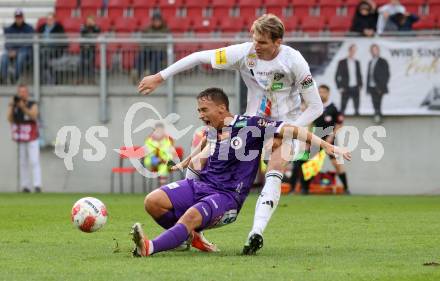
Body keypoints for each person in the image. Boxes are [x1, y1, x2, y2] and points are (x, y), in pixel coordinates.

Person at [137, 14, 324, 255]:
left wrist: (290, 130)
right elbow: (198, 57)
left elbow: (316, 107)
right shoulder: (245, 53)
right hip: (250, 125)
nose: (256, 45)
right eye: (254, 39)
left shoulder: (294, 61)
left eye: (263, 42)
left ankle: (255, 232)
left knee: (275, 166)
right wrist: (160, 77)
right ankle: (194, 226)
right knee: (199, 149)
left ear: (278, 42)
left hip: (288, 124)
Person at [130, 88, 351, 257]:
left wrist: (327, 146)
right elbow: (204, 145)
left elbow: (292, 129)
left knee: (189, 217)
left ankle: (149, 247)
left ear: (221, 109)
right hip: (201, 185)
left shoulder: (250, 125)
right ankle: (186, 236)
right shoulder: (212, 130)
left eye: (204, 110)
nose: (200, 115)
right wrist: (186, 161)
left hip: (227, 197)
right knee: (152, 201)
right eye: (199, 110)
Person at [313, 84, 349, 193]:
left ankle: (346, 189)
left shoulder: (333, 107)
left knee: (336, 164)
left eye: (323, 92)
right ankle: (304, 189)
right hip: (316, 138)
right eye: (319, 92)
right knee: (309, 163)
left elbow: (339, 124)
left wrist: (331, 136)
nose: (321, 94)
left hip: (329, 139)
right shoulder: (315, 106)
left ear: (328, 93)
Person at [6, 84, 42, 193]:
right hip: (21, 137)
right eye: (20, 92)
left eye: (24, 91)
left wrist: (23, 107)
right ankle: (25, 186)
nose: (22, 94)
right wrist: (12, 105)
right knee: (22, 162)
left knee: (34, 161)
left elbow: (34, 115)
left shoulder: (32, 104)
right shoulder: (14, 106)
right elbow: (9, 118)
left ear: (27, 93)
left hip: (32, 137)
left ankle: (37, 185)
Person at [0, 9, 34, 84]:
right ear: (15, 18)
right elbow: (7, 42)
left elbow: (29, 43)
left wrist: (17, 51)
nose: (18, 19)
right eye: (17, 17)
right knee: (4, 57)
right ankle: (3, 79)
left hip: (25, 51)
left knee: (21, 56)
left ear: (23, 17)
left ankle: (14, 78)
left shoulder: (29, 28)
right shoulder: (10, 28)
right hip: (12, 50)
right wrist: (10, 50)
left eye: (20, 17)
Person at [135, 13, 169, 80]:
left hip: (160, 51)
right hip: (149, 50)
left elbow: (166, 43)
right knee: (141, 55)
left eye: (158, 21)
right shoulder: (147, 29)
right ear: (152, 21)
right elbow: (142, 41)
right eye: (155, 21)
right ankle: (137, 74)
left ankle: (151, 76)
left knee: (156, 57)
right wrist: (144, 47)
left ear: (161, 21)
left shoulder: (166, 30)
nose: (157, 22)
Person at [37, 12, 67, 84]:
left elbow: (63, 42)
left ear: (54, 19)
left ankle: (44, 80)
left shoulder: (59, 28)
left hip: (55, 49)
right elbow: (37, 38)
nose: (49, 20)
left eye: (51, 19)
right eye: (48, 19)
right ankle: (49, 79)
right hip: (42, 49)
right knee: (39, 55)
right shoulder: (41, 27)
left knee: (43, 56)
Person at [335, 44, 362, 116]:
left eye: (354, 51)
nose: (353, 52)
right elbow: (337, 76)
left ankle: (356, 125)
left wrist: (360, 85)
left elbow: (359, 75)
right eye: (352, 50)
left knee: (356, 108)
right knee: (343, 108)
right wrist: (340, 87)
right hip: (345, 87)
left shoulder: (357, 62)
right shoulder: (342, 62)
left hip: (355, 87)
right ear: (349, 51)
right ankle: (340, 124)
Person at [367, 44, 390, 124]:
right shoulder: (370, 62)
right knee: (374, 101)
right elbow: (369, 75)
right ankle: (376, 114)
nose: (374, 52)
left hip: (379, 86)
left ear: (378, 51)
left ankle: (379, 116)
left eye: (376, 50)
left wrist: (381, 86)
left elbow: (386, 75)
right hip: (371, 85)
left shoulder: (383, 61)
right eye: (373, 50)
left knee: (378, 101)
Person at [79, 15, 100, 83]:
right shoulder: (83, 26)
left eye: (91, 20)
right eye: (88, 20)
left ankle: (91, 79)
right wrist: (88, 26)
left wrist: (93, 26)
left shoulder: (95, 27)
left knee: (91, 64)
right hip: (83, 48)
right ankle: (81, 78)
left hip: (91, 48)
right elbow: (82, 32)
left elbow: (98, 31)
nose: (89, 22)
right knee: (82, 64)